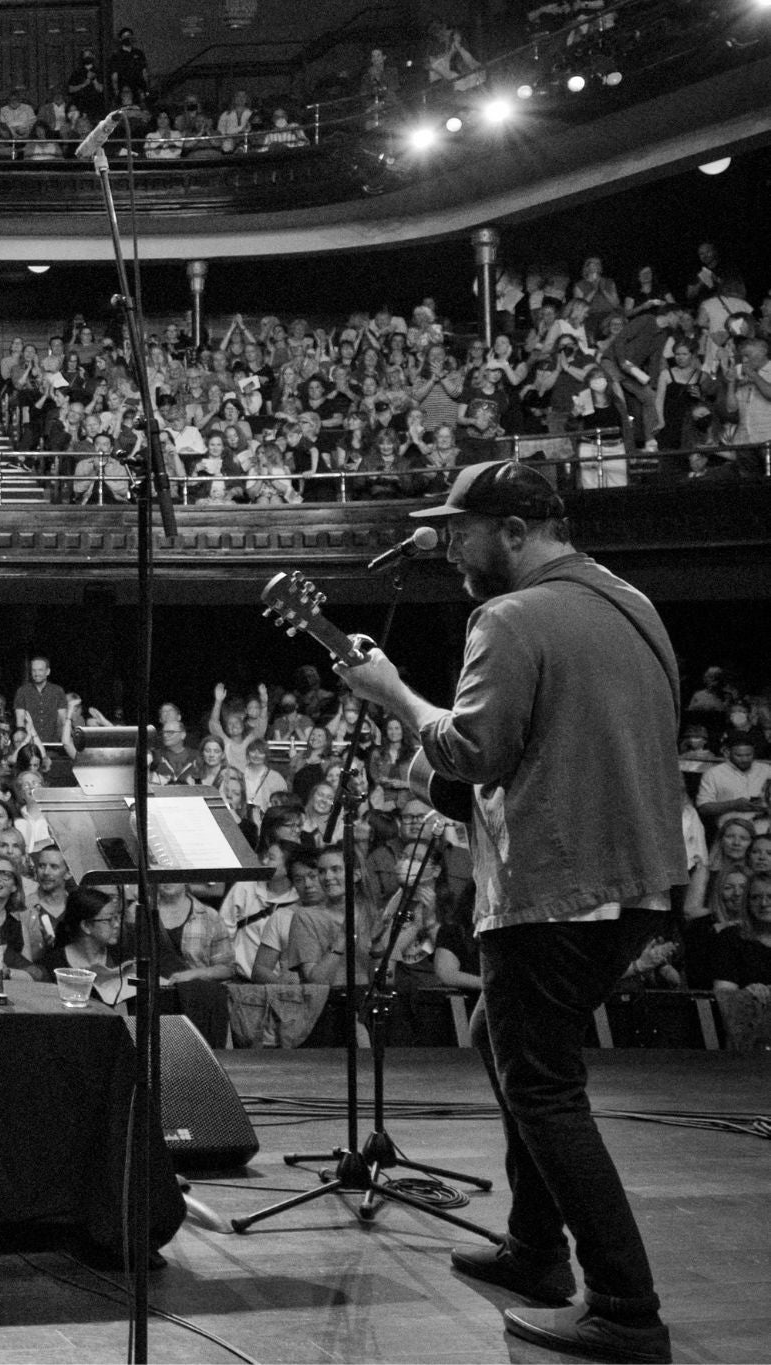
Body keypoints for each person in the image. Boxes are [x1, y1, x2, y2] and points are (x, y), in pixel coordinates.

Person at [338, 460, 682, 1365]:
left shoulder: (509, 616)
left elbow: (475, 748)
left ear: (519, 529)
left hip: (554, 889)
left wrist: (396, 696)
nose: (450, 544)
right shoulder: (630, 602)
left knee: (543, 1085)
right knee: (502, 1034)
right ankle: (536, 1250)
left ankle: (625, 1305)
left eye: (463, 528)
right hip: (639, 885)